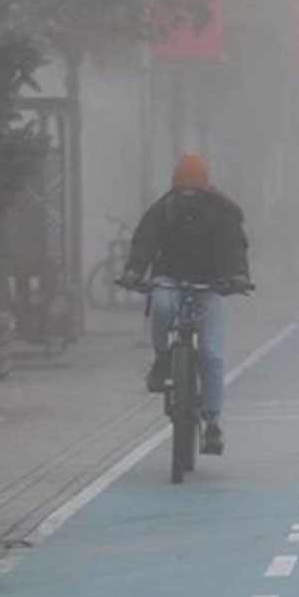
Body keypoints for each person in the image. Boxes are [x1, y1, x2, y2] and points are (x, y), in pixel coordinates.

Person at [119, 153, 251, 456]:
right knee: (162, 308)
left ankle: (213, 423)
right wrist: (134, 271)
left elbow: (234, 247)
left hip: (211, 284)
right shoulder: (163, 209)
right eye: (183, 187)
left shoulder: (223, 212)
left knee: (212, 353)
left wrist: (238, 276)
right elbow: (144, 242)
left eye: (194, 187)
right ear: (175, 186)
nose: (188, 193)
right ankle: (163, 357)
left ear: (205, 186)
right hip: (170, 279)